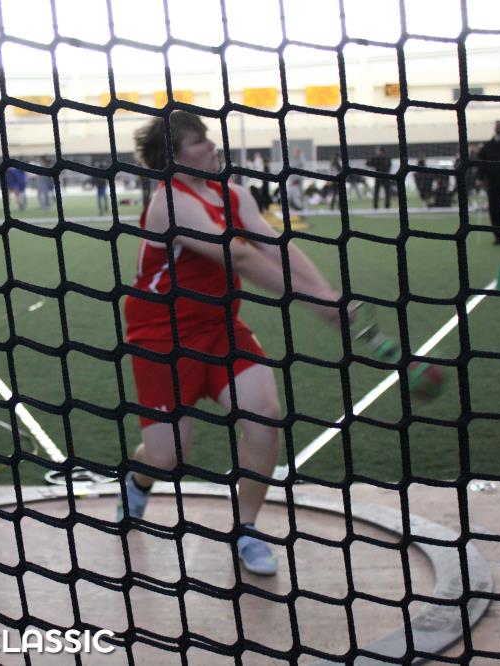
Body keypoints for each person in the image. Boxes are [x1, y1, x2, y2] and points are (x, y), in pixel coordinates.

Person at [119, 111, 350, 576]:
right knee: (167, 456)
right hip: (162, 338)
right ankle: (138, 480)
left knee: (265, 415)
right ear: (174, 157)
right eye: (198, 141)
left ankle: (246, 529)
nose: (211, 145)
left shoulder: (234, 195)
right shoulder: (169, 203)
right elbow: (238, 255)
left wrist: (326, 292)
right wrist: (313, 303)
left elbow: (274, 245)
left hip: (221, 327)